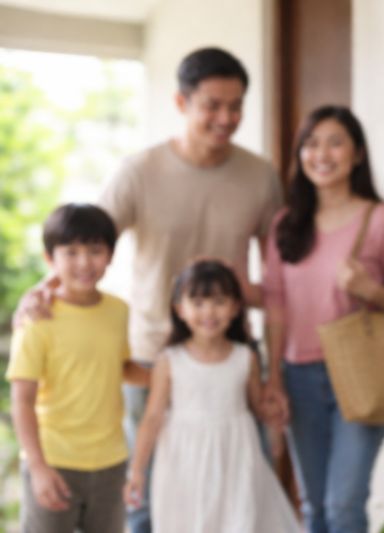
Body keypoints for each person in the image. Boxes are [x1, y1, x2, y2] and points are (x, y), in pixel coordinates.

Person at [13, 47, 283, 532]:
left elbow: (279, 278)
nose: (227, 118)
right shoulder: (139, 170)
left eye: (236, 106)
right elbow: (83, 243)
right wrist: (38, 290)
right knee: (143, 497)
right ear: (182, 103)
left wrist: (274, 366)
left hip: (230, 356)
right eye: (213, 106)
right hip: (150, 357)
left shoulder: (260, 175)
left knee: (240, 487)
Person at [262, 105, 384, 533]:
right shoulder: (286, 224)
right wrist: (272, 377)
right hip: (298, 376)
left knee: (344, 506)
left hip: (361, 373)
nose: (321, 153)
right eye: (310, 143)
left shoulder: (379, 220)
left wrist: (372, 291)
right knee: (314, 509)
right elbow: (275, 303)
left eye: (335, 142)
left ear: (358, 154)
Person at [124, 259, 301, 533]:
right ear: (180, 309)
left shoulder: (245, 357)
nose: (209, 311)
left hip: (236, 455)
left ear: (235, 307)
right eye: (198, 302)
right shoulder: (170, 360)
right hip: (184, 459)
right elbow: (153, 416)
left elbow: (257, 407)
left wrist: (275, 427)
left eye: (219, 301)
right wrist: (137, 469)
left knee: (237, 519)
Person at [5, 204, 150, 533]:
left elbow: (120, 367)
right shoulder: (37, 319)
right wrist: (39, 467)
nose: (84, 262)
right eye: (71, 252)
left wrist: (170, 375)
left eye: (95, 251)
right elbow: (22, 400)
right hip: (55, 462)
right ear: (50, 259)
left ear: (111, 255)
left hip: (111, 462)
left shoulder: (119, 311)